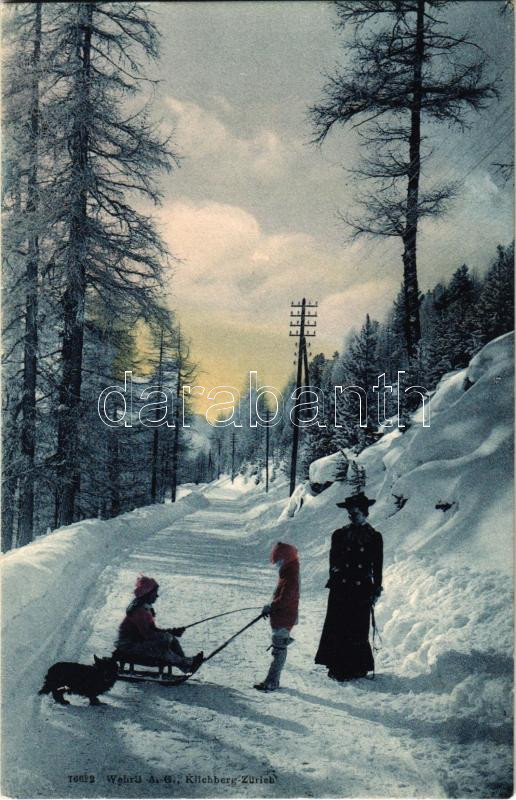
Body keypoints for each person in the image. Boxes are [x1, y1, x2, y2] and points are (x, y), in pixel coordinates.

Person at [315, 492, 383, 681]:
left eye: (356, 513)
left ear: (365, 513)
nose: (352, 517)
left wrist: (376, 589)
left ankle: (357, 667)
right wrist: (337, 575)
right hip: (341, 588)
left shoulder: (374, 537)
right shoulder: (339, 535)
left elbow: (377, 566)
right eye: (350, 514)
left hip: (362, 589)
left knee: (358, 627)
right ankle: (337, 666)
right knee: (338, 626)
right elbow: (333, 562)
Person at [114, 575, 203, 673]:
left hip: (136, 642)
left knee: (169, 639)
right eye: (155, 593)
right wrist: (167, 635)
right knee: (162, 646)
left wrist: (172, 632)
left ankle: (185, 664)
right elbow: (147, 634)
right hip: (129, 645)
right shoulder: (139, 611)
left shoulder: (145, 609)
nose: (157, 596)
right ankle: (185, 663)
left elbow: (152, 629)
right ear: (147, 594)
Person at [254, 542, 300, 692]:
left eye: (279, 560)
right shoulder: (287, 571)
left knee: (279, 649)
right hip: (282, 615)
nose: (277, 564)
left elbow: (285, 598)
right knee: (278, 647)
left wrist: (271, 607)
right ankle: (273, 680)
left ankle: (272, 682)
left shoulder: (291, 575)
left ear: (286, 558)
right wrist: (271, 606)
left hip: (285, 616)